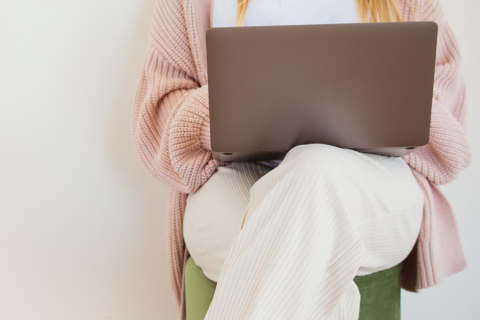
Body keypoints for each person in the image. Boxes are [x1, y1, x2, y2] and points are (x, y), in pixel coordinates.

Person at [131, 0, 471, 319]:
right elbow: (159, 116)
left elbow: (446, 115)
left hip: (370, 181)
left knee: (314, 168)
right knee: (306, 226)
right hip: (237, 178)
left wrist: (390, 102)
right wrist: (222, 110)